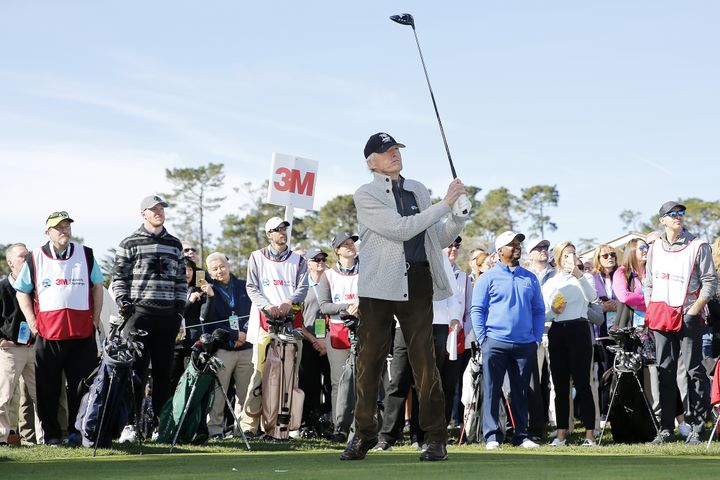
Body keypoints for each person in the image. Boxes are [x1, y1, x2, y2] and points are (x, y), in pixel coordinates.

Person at [341, 132, 468, 462]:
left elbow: (434, 236)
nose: (395, 154)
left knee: (425, 361)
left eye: (396, 149)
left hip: (418, 280)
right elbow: (400, 228)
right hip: (377, 287)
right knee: (368, 363)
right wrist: (445, 204)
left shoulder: (418, 189)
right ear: (372, 162)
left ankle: (436, 439)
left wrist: (457, 216)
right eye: (387, 151)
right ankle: (363, 435)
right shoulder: (365, 193)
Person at [15, 212, 103, 446]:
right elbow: (21, 291)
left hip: (82, 333)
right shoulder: (35, 258)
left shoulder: (86, 254)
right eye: (58, 227)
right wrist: (32, 322)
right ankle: (52, 435)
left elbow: (98, 287)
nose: (64, 230)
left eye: (67, 226)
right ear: (48, 232)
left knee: (81, 387)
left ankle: (78, 432)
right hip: (48, 334)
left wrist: (95, 320)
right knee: (47, 389)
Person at [112, 195, 186, 442]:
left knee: (165, 375)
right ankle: (130, 425)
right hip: (139, 315)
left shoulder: (175, 244)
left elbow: (181, 281)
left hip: (167, 316)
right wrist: (124, 302)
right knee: (135, 372)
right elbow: (119, 277)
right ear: (143, 214)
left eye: (161, 209)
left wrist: (179, 310)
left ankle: (160, 426)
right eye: (153, 210)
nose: (159, 213)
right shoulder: (129, 242)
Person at [645, 201, 716, 445]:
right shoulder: (654, 247)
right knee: (665, 371)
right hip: (661, 316)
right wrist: (651, 306)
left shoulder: (698, 245)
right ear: (662, 220)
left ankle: (697, 428)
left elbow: (709, 281)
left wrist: (694, 310)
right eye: (673, 214)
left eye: (681, 213)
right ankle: (665, 429)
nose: (678, 217)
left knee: (694, 370)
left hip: (688, 315)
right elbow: (649, 282)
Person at [471, 231, 544, 450]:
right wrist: (484, 339)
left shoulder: (529, 277)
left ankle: (521, 435)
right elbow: (477, 310)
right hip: (495, 342)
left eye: (518, 244)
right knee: (492, 390)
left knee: (521, 392)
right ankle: (492, 436)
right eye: (511, 245)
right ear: (500, 251)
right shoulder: (487, 278)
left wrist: (536, 338)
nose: (517, 248)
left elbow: (539, 310)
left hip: (525, 344)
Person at [242, 216, 308, 436]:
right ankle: (249, 426)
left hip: (291, 323)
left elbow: (303, 287)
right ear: (268, 234)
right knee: (260, 375)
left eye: (284, 229)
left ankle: (283, 427)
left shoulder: (298, 260)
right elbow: (251, 287)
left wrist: (289, 302)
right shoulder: (256, 257)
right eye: (277, 230)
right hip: (264, 323)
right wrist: (268, 306)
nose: (282, 233)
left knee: (290, 377)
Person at [542, 241, 598, 446]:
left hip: (579, 329)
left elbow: (592, 298)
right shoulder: (550, 283)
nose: (571, 258)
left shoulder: (585, 278)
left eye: (573, 254)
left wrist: (578, 274)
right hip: (557, 331)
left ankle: (590, 435)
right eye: (566, 255)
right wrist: (553, 312)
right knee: (559, 385)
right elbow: (544, 313)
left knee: (583, 383)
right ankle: (561, 434)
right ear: (557, 258)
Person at [199, 252, 253, 439]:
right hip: (223, 349)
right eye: (214, 269)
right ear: (209, 272)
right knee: (218, 393)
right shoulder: (209, 291)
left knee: (246, 392)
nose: (220, 271)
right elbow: (208, 323)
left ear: (228, 265)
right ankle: (215, 430)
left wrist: (244, 334)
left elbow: (254, 313)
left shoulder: (244, 285)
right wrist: (233, 335)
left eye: (222, 266)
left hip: (247, 346)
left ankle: (243, 430)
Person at [317, 234, 360, 440]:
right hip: (337, 333)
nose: (350, 246)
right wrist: (346, 307)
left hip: (364, 330)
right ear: (337, 251)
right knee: (339, 382)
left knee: (363, 381)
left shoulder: (367, 270)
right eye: (345, 245)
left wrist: (361, 307)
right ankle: (339, 427)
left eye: (352, 243)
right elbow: (324, 305)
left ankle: (360, 426)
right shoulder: (328, 275)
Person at [0, 243, 38, 446]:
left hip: (34, 346)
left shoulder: (36, 286)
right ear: (10, 262)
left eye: (28, 256)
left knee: (41, 395)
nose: (27, 259)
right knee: (3, 396)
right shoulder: (2, 287)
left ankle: (46, 437)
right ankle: (1, 437)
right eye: (22, 256)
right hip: (10, 349)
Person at [298, 246, 332, 437]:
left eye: (322, 259)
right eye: (316, 260)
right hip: (309, 341)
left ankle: (328, 422)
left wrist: (325, 341)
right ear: (308, 264)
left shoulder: (331, 282)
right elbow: (298, 321)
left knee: (330, 384)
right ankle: (308, 424)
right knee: (309, 384)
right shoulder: (301, 286)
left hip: (331, 341)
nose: (320, 263)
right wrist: (314, 340)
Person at [169, 257, 206, 392]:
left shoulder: (197, 289)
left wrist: (206, 292)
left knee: (192, 380)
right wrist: (190, 301)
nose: (187, 273)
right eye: (184, 269)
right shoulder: (170, 290)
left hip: (192, 342)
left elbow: (205, 314)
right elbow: (174, 314)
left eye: (190, 269)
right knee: (172, 380)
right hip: (174, 343)